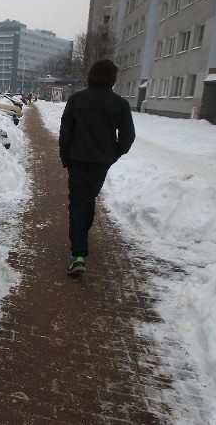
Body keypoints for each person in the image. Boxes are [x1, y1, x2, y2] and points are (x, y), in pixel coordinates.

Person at [59, 59, 135, 276]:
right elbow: (128, 137)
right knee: (87, 200)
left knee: (78, 203)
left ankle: (78, 253)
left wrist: (66, 157)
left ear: (91, 76)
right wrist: (112, 155)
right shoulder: (119, 104)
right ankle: (80, 244)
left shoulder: (77, 100)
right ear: (113, 78)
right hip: (100, 163)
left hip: (78, 161)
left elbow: (66, 132)